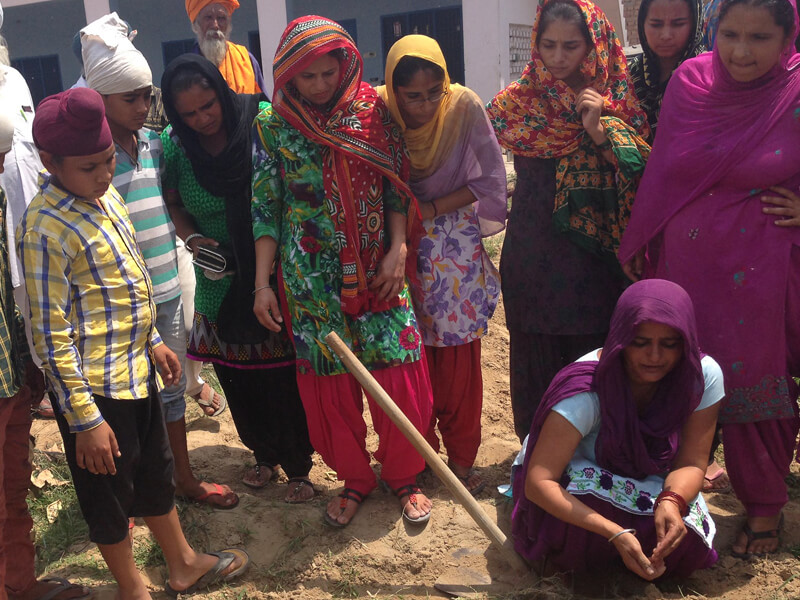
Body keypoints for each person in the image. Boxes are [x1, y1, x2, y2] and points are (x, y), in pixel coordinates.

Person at [16, 87, 249, 599]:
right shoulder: (44, 228)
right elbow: (51, 335)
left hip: (134, 371)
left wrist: (151, 342)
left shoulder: (105, 196)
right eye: (89, 168)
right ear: (51, 162)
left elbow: (127, 280)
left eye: (106, 162)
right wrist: (86, 421)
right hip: (95, 392)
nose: (103, 175)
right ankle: (132, 588)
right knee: (110, 496)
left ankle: (183, 562)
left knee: (152, 475)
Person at [619, 0, 800, 558]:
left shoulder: (794, 93)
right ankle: (667, 489)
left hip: (761, 265)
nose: (742, 51)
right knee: (674, 369)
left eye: (761, 37)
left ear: (789, 36)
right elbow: (665, 166)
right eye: (731, 34)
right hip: (687, 262)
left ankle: (765, 507)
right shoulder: (690, 82)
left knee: (755, 379)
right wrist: (643, 237)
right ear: (713, 30)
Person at [251, 16, 434, 527]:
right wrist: (263, 284)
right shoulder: (272, 124)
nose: (320, 86)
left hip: (380, 267)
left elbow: (396, 182)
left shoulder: (373, 109)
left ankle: (403, 476)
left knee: (397, 366)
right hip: (309, 277)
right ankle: (355, 480)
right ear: (287, 76)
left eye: (329, 73)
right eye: (307, 77)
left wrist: (399, 250)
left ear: (346, 63)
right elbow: (267, 205)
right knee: (330, 379)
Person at [81, 13, 237, 509]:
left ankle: (181, 479)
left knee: (171, 394)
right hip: (121, 308)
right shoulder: (89, 165)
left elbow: (170, 204)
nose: (144, 106)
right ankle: (135, 494)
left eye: (148, 96)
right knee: (130, 402)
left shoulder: (154, 145)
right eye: (132, 99)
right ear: (100, 98)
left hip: (167, 293)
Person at [486, 0, 651, 442]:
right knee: (534, 362)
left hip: (594, 262)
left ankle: (591, 467)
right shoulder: (515, 106)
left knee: (591, 366)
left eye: (571, 46)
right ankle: (535, 468)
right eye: (549, 45)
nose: (558, 58)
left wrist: (599, 130)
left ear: (593, 45)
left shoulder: (617, 103)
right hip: (532, 254)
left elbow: (643, 175)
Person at [160, 54, 315, 502]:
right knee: (236, 373)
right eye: (188, 113)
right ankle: (262, 455)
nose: (202, 119)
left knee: (282, 371)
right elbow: (175, 205)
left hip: (272, 266)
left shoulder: (260, 121)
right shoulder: (177, 145)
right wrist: (193, 241)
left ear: (221, 92)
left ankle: (299, 464)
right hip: (217, 275)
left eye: (208, 105)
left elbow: (292, 189)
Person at [513, 279, 722, 579]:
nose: (654, 356)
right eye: (640, 342)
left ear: (686, 341)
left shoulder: (700, 377)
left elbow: (691, 462)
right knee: (582, 530)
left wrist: (672, 501)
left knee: (682, 534)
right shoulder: (586, 392)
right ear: (621, 339)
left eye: (669, 344)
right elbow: (539, 482)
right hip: (577, 480)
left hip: (652, 480)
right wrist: (613, 532)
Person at [376, 35, 507, 496]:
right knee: (407, 355)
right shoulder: (378, 113)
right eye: (412, 95)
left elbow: (489, 181)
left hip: (451, 246)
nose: (426, 104)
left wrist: (427, 211)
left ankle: (462, 457)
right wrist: (404, 224)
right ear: (393, 89)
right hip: (395, 245)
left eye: (435, 91)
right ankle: (418, 452)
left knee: (456, 358)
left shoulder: (463, 107)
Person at [0, 107, 89, 600]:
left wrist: (24, 359)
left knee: (13, 491)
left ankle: (21, 583)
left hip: (8, 375)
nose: (0, 169)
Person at [627, 0, 705, 136]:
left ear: (694, 24)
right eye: (656, 25)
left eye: (678, 24)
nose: (666, 35)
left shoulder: (708, 76)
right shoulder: (630, 75)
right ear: (642, 24)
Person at [185, 0, 265, 94]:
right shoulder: (187, 69)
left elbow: (264, 104)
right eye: (208, 17)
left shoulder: (247, 60)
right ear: (196, 24)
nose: (215, 25)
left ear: (228, 24)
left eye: (221, 18)